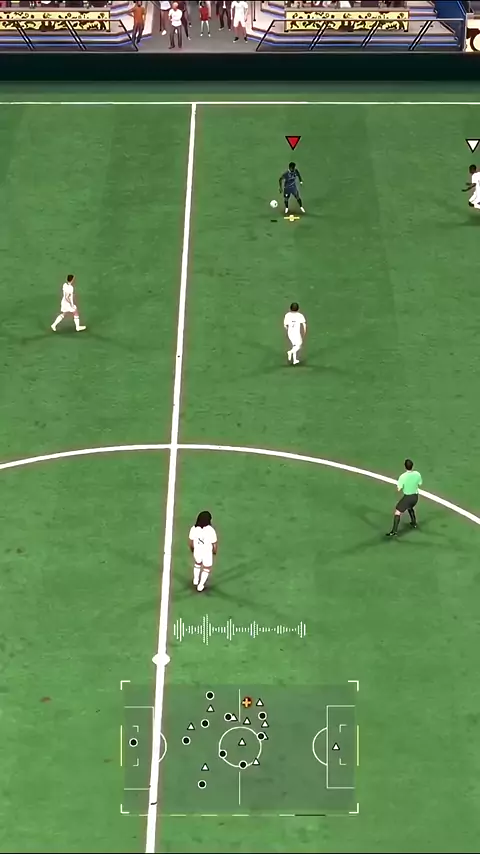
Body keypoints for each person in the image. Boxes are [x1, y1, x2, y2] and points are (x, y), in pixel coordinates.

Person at [386, 459, 422, 537]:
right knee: (410, 507)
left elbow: (399, 489)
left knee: (397, 512)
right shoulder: (417, 474)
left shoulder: (403, 476)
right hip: (415, 497)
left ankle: (394, 531)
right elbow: (420, 483)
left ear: (405, 466)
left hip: (408, 498)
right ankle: (414, 523)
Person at [189, 511, 218, 592]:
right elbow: (214, 543)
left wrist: (192, 549)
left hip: (197, 551)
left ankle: (195, 579)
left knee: (197, 564)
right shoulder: (211, 530)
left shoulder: (194, 528)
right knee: (206, 568)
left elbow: (190, 541)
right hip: (207, 553)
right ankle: (201, 585)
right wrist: (214, 551)